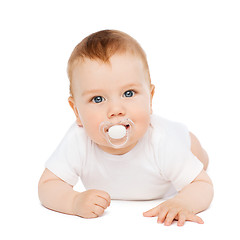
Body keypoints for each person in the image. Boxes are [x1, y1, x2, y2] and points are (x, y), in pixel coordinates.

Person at [38, 30, 213, 226]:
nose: (116, 110)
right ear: (77, 112)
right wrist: (73, 201)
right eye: (98, 99)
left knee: (198, 157)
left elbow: (202, 184)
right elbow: (48, 185)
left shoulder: (163, 142)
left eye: (129, 93)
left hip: (181, 144)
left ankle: (196, 152)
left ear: (150, 98)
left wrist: (183, 202)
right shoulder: (78, 140)